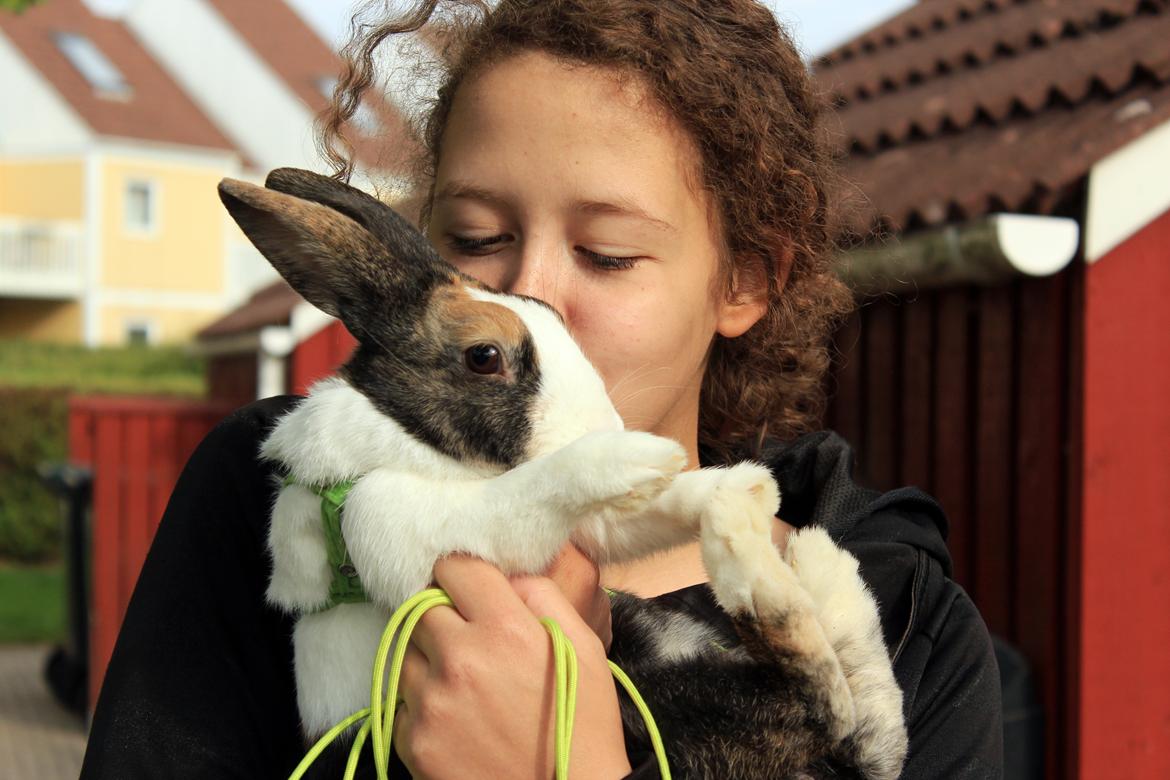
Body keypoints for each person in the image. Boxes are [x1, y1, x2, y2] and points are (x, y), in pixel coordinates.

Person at [80, 1, 1003, 778]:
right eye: (476, 238)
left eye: (607, 255)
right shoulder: (278, 500)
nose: (529, 296)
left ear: (743, 283)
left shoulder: (904, 628)